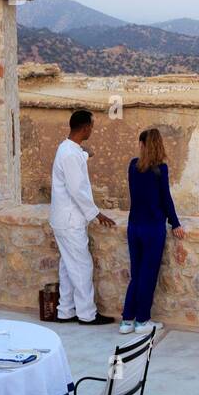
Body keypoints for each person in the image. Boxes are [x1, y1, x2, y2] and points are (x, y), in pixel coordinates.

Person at [49, 109, 117, 325]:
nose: (93, 130)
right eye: (92, 126)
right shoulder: (69, 154)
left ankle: (65, 311)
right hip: (70, 221)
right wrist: (96, 213)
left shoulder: (68, 149)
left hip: (62, 220)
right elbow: (77, 188)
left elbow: (77, 158)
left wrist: (88, 154)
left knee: (68, 266)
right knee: (82, 265)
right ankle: (87, 314)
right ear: (86, 127)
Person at [120, 128, 185, 334]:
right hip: (152, 229)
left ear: (143, 145)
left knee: (136, 274)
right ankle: (142, 320)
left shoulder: (132, 166)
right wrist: (175, 223)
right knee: (148, 275)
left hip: (134, 227)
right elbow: (166, 198)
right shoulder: (161, 170)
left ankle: (126, 320)